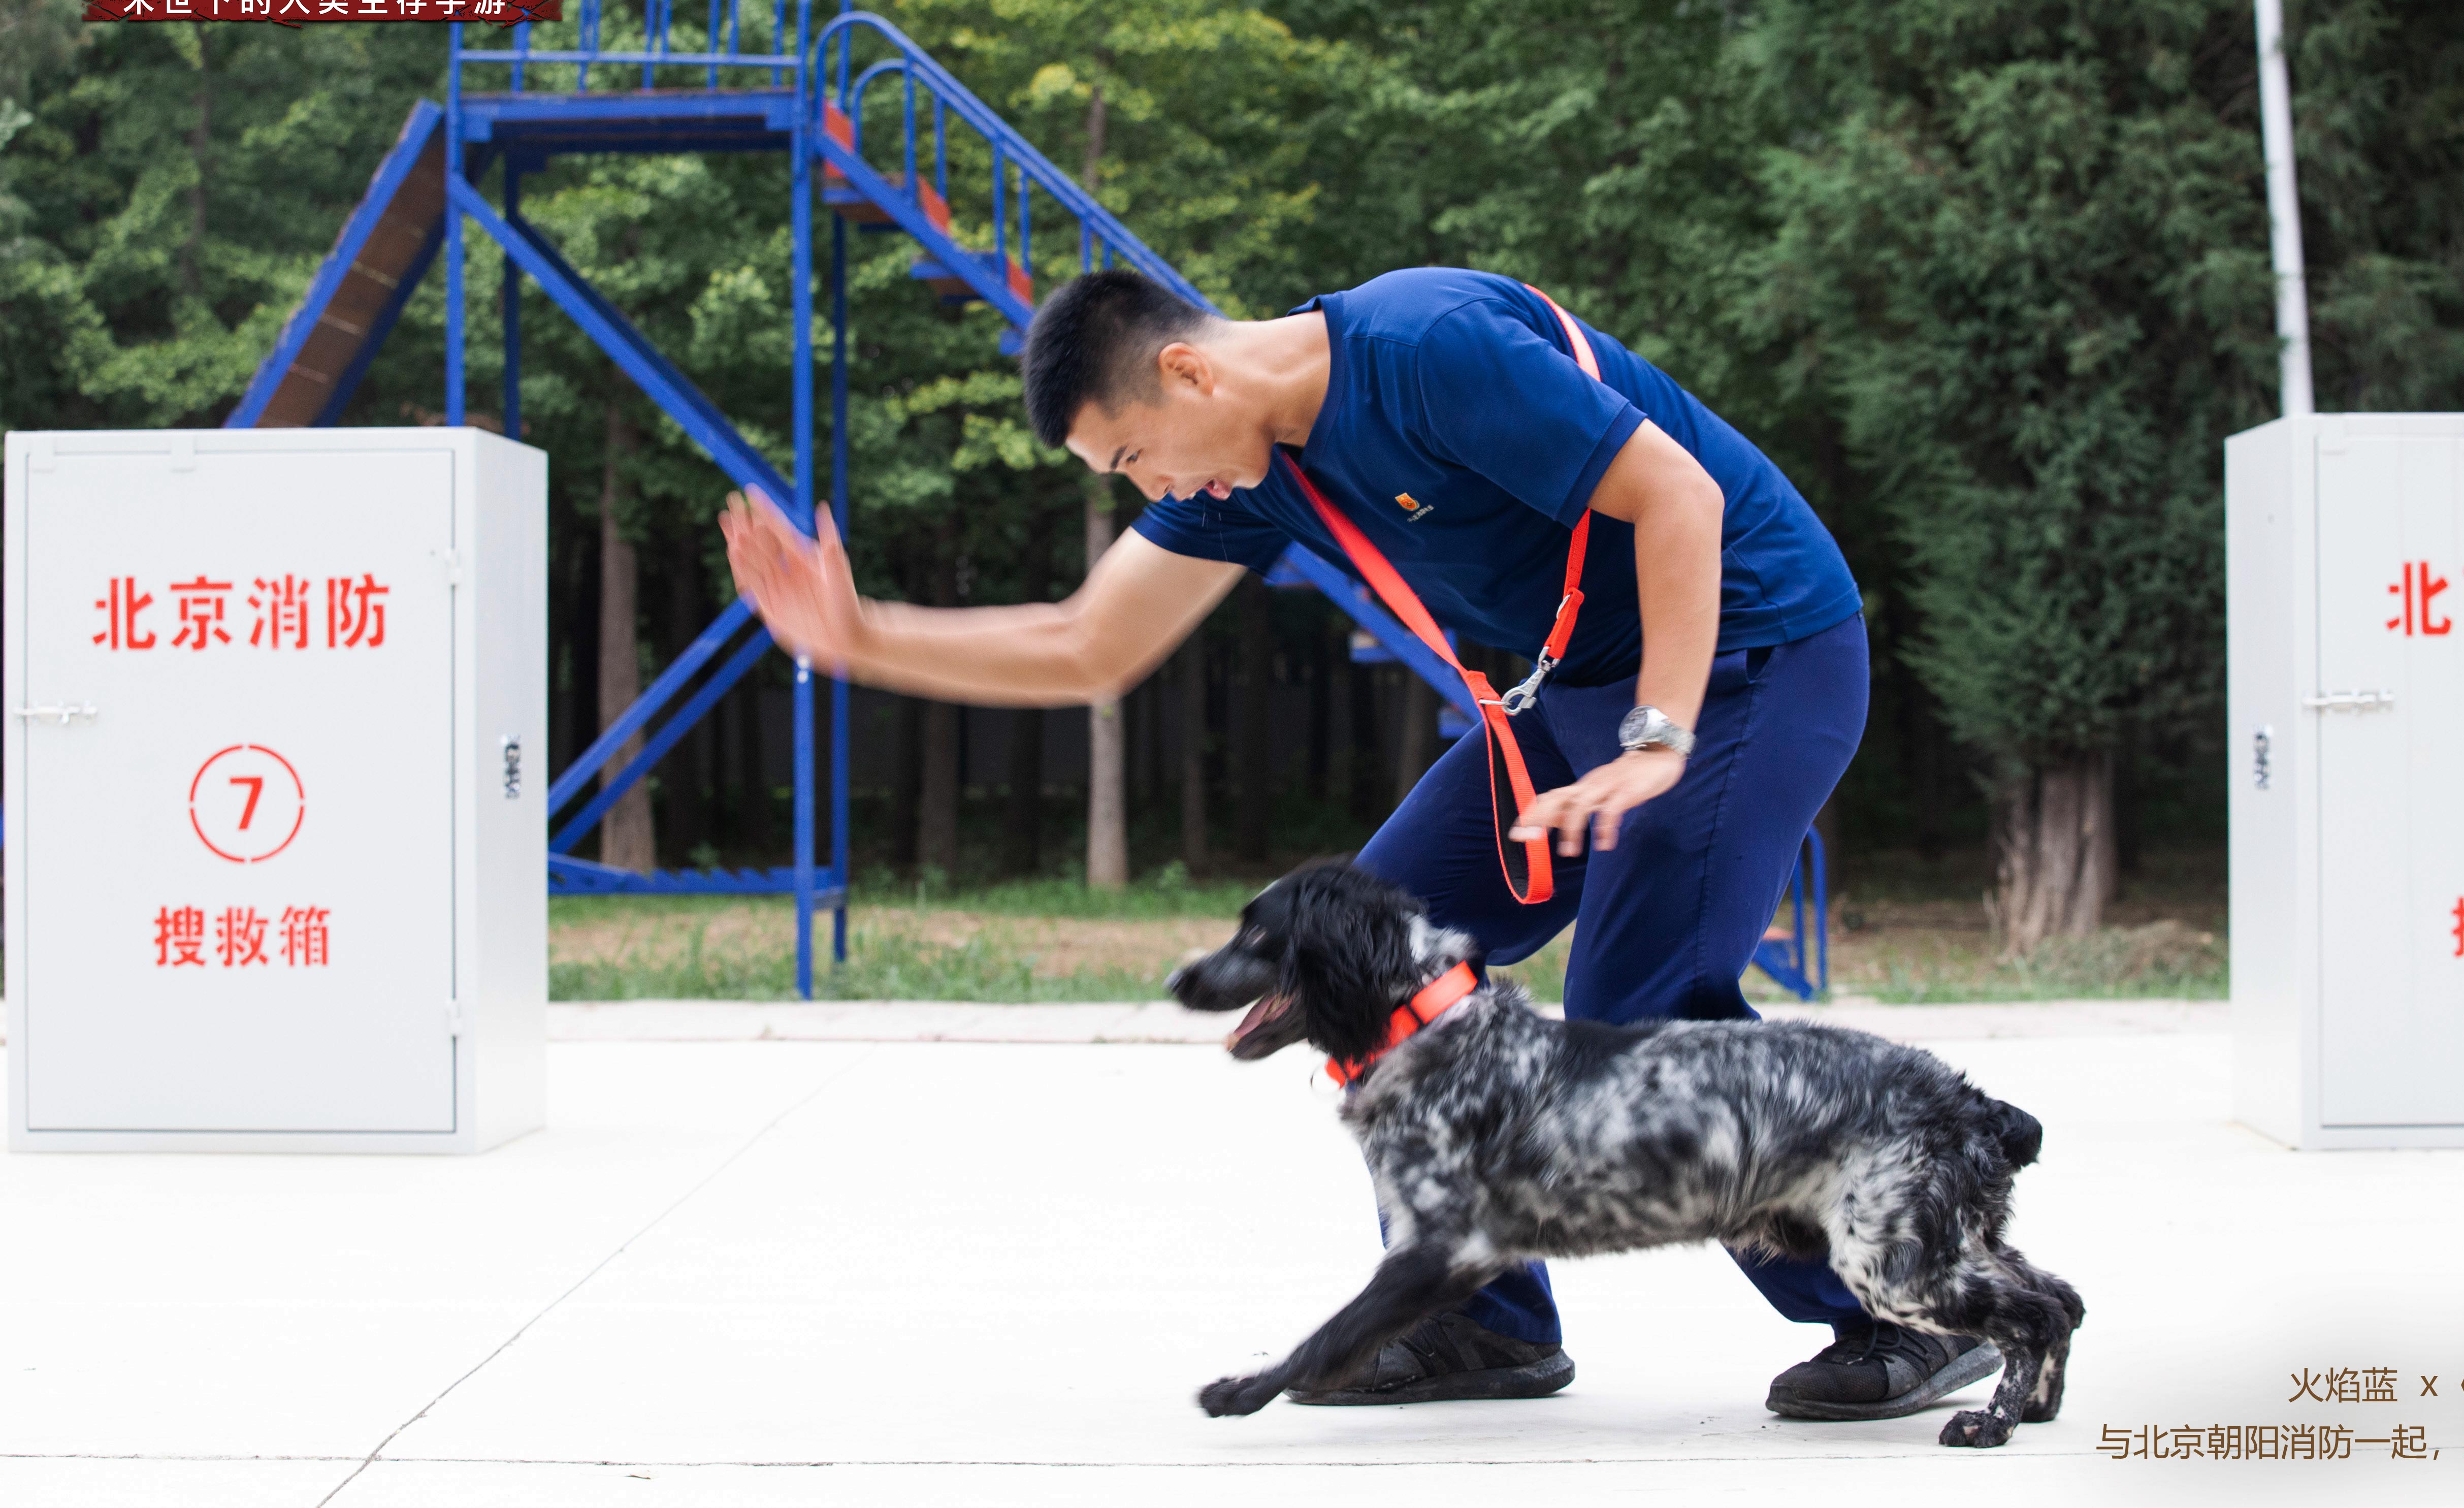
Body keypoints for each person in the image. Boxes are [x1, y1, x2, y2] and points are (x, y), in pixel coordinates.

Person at [720, 265, 1999, 1420]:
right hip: (1588, 690)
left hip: (1750, 653)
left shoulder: (1427, 347)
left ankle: (1902, 1306)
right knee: (1357, 952)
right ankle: (1475, 1322)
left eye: (1132, 460)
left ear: (1186, 370)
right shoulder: (1248, 457)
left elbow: (1677, 492)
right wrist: (859, 636)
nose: (1154, 491)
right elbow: (1088, 644)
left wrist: (1657, 735)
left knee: (1641, 1001)